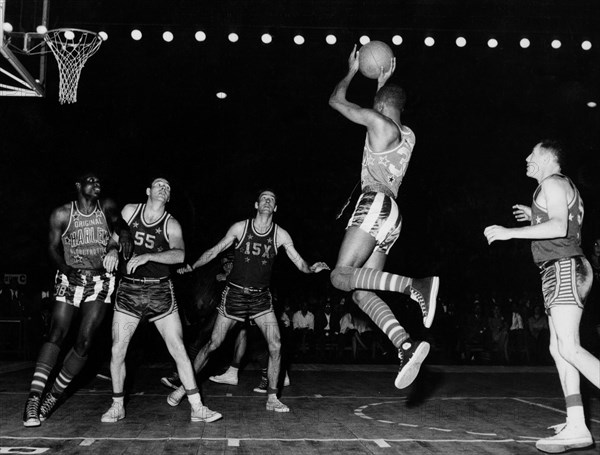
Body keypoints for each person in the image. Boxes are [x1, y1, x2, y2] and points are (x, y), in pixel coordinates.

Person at [328, 46, 439, 389]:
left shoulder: (377, 122)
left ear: (379, 107)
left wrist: (350, 72)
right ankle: (405, 345)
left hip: (374, 204)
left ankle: (414, 285)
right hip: (392, 216)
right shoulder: (408, 135)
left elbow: (336, 102)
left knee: (340, 276)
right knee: (361, 292)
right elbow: (385, 109)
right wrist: (381, 82)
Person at [484, 139, 599, 453]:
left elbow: (560, 226)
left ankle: (577, 427)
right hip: (561, 268)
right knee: (559, 348)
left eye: (532, 153)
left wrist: (509, 232)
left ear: (549, 157)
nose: (526, 157)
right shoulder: (558, 186)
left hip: (564, 267)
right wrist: (534, 216)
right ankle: (576, 423)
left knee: (570, 348)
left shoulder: (551, 183)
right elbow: (563, 221)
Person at [170, 189, 329, 414]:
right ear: (256, 205)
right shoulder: (240, 227)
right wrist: (193, 265)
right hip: (234, 294)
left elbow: (299, 262)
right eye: (263, 198)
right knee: (213, 344)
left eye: (271, 199)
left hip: (260, 298)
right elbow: (215, 250)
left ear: (275, 208)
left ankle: (272, 398)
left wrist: (311, 269)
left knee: (276, 344)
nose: (267, 201)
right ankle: (183, 389)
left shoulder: (280, 234)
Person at [100, 177, 221, 424]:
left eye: (167, 187)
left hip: (160, 292)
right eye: (158, 184)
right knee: (117, 349)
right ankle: (117, 405)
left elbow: (180, 254)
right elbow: (114, 238)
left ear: (169, 196)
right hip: (130, 290)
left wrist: (147, 258)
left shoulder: (172, 224)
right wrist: (112, 250)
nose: (163, 188)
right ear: (148, 190)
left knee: (178, 348)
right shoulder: (130, 211)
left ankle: (197, 407)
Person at [22, 172, 133, 427]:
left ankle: (52, 397)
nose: (97, 184)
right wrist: (65, 267)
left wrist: (124, 234)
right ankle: (33, 399)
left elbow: (118, 221)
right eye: (91, 181)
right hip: (70, 278)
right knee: (56, 334)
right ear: (78, 186)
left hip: (100, 281)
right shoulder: (62, 214)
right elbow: (51, 247)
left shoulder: (105, 206)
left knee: (84, 342)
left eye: (98, 181)